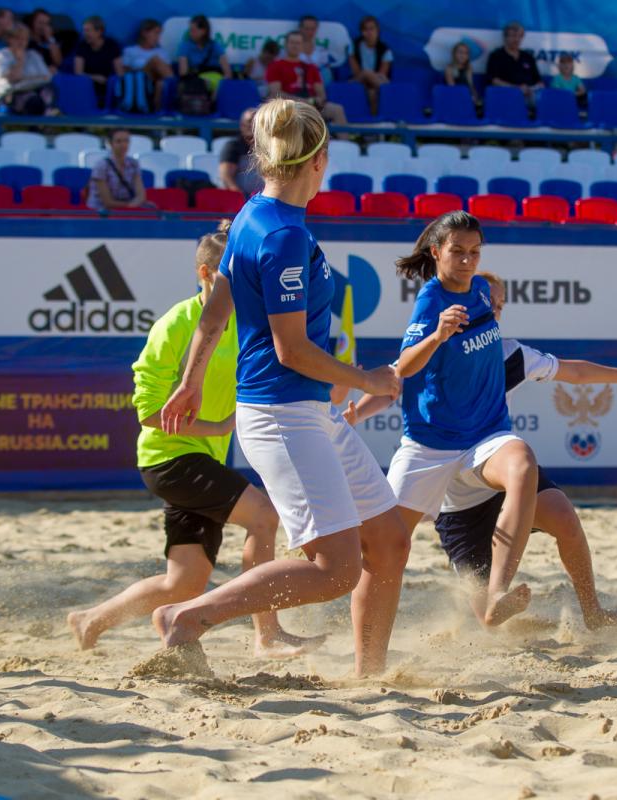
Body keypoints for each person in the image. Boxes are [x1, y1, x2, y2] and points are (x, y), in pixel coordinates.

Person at [156, 98, 410, 678]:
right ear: (319, 160)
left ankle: (371, 677)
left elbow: (215, 312)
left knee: (389, 540)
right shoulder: (282, 234)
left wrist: (191, 382)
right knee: (335, 569)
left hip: (305, 410)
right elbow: (290, 350)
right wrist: (367, 379)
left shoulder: (253, 213)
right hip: (282, 414)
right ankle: (187, 616)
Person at [345, 271, 617, 630]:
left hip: (494, 465)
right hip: (457, 504)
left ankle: (593, 613)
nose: (495, 310)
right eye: (490, 302)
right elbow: (393, 382)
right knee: (488, 620)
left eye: (500, 305)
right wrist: (357, 414)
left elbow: (574, 372)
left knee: (563, 516)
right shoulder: (432, 348)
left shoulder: (510, 354)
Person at [68, 221, 319, 658]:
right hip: (169, 459)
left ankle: (90, 620)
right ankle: (267, 635)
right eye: (230, 274)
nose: (242, 283)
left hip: (203, 458)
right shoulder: (176, 325)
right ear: (205, 274)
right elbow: (148, 412)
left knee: (183, 583)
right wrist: (217, 427)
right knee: (264, 517)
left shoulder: (244, 322)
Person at [385, 211, 541, 628]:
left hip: (482, 437)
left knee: (524, 466)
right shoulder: (431, 299)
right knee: (385, 546)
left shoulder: (480, 292)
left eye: (475, 252)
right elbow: (403, 368)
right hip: (429, 443)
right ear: (437, 252)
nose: (468, 260)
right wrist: (437, 336)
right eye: (458, 252)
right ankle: (364, 645)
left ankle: (498, 593)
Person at [267, 31, 348, 126]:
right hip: (287, 106)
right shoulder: (275, 66)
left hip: (311, 106)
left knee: (337, 110)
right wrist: (302, 101)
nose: (295, 46)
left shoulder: (311, 68)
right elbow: (276, 93)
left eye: (298, 43)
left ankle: (344, 137)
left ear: (302, 46)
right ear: (286, 44)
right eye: (292, 42)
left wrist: (315, 100)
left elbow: (322, 95)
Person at [0, 23, 56, 114]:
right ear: (9, 39)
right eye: (18, 38)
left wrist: (25, 79)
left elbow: (46, 77)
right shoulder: (2, 55)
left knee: (49, 90)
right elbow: (13, 78)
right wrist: (20, 61)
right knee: (34, 101)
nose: (21, 42)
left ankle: (49, 115)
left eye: (25, 39)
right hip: (11, 94)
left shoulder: (33, 55)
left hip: (36, 90)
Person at [87, 129, 149, 210]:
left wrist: (134, 204)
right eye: (118, 141)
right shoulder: (101, 165)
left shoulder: (134, 163)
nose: (123, 145)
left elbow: (141, 195)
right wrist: (130, 205)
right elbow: (107, 202)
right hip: (101, 211)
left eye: (126, 141)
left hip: (127, 208)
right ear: (110, 143)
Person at [485, 21, 543, 105]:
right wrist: (516, 89)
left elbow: (538, 81)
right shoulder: (496, 56)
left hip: (529, 96)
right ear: (505, 37)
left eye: (519, 36)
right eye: (513, 36)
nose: (516, 39)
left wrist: (534, 88)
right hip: (505, 96)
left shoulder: (528, 57)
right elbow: (493, 80)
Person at [123, 19, 172, 112]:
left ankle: (156, 110)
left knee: (160, 83)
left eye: (159, 34)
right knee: (155, 60)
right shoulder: (130, 51)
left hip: (156, 81)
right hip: (139, 81)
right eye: (156, 33)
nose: (158, 37)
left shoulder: (162, 52)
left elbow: (167, 73)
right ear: (144, 33)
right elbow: (125, 74)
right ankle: (179, 88)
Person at [176, 13, 232, 95]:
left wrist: (222, 85)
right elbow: (183, 73)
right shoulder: (185, 46)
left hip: (215, 77)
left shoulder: (215, 46)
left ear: (203, 31)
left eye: (193, 30)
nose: (190, 33)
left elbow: (227, 73)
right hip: (195, 79)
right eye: (190, 30)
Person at [73, 16, 123, 106]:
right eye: (84, 30)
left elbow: (120, 73)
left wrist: (110, 81)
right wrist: (95, 77)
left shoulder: (112, 45)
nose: (85, 33)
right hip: (87, 85)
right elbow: (78, 73)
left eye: (88, 30)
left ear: (99, 31)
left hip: (109, 85)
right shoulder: (82, 46)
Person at [349, 15, 392, 116]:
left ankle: (373, 122)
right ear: (362, 32)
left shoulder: (385, 50)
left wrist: (371, 80)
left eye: (372, 29)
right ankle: (391, 93)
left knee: (372, 93)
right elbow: (356, 72)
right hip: (357, 80)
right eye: (365, 29)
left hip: (375, 84)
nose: (369, 32)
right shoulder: (354, 46)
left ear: (378, 30)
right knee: (366, 73)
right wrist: (368, 76)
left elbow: (381, 75)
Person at [218, 108, 263, 196]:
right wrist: (239, 196)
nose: (253, 125)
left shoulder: (269, 148)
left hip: (265, 198)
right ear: (242, 125)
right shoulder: (233, 146)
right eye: (250, 121)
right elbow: (226, 176)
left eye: (257, 121)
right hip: (242, 198)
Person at [298, 14, 337, 84]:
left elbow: (327, 74)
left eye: (313, 29)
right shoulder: (290, 49)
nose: (310, 32)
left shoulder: (322, 50)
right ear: (300, 29)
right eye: (306, 29)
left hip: (318, 85)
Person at [444, 42, 480, 107]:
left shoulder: (469, 68)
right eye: (460, 52)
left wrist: (475, 97)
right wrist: (463, 98)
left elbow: (470, 85)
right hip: (454, 98)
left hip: (467, 97)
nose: (463, 55)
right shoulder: (449, 68)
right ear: (454, 54)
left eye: (466, 53)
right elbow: (452, 88)